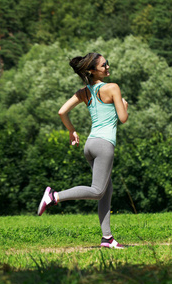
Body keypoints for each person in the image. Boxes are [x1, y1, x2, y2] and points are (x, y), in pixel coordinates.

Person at [37, 53, 128, 249]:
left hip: (90, 145)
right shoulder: (112, 88)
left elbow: (62, 111)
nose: (108, 67)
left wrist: (72, 131)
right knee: (97, 191)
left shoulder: (84, 92)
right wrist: (125, 106)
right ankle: (54, 196)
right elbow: (123, 118)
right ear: (92, 70)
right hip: (104, 145)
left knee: (105, 191)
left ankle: (107, 238)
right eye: (104, 65)